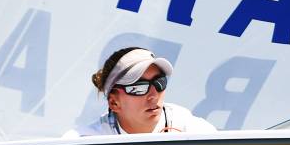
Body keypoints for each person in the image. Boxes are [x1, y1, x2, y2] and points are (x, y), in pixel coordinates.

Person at [67, 47, 216, 136]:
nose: (153, 95)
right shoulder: (84, 143)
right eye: (138, 88)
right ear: (114, 102)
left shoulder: (191, 130)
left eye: (159, 82)